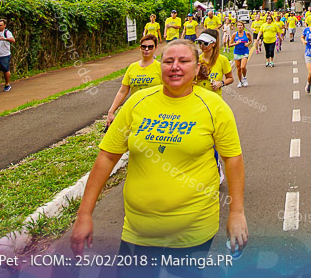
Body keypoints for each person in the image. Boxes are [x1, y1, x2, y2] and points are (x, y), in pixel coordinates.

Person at [71, 40, 247, 274]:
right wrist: (84, 214)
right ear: (160, 67)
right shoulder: (138, 102)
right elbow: (107, 157)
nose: (175, 66)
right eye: (168, 61)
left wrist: (236, 213)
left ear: (196, 69)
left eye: (184, 61)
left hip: (192, 232)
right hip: (137, 230)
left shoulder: (215, 107)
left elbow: (232, 160)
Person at [106, 34, 163, 128]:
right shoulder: (132, 67)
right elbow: (123, 91)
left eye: (150, 47)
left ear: (155, 48)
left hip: (155, 112)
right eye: (144, 47)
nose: (146, 49)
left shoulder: (160, 67)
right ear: (140, 48)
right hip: (136, 111)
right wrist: (111, 111)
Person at [194, 30, 233, 96]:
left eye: (205, 43)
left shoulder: (222, 59)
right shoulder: (196, 60)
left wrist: (220, 83)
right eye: (199, 43)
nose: (202, 46)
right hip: (199, 99)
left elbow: (230, 78)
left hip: (215, 99)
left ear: (213, 44)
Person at [231, 22, 252, 88]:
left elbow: (250, 41)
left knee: (243, 67)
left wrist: (248, 44)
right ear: (236, 27)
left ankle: (244, 78)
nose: (240, 27)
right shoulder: (234, 35)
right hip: (237, 52)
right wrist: (235, 44)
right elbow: (230, 44)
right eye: (238, 25)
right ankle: (240, 81)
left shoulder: (247, 33)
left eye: (241, 25)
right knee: (239, 68)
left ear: (243, 26)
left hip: (244, 51)